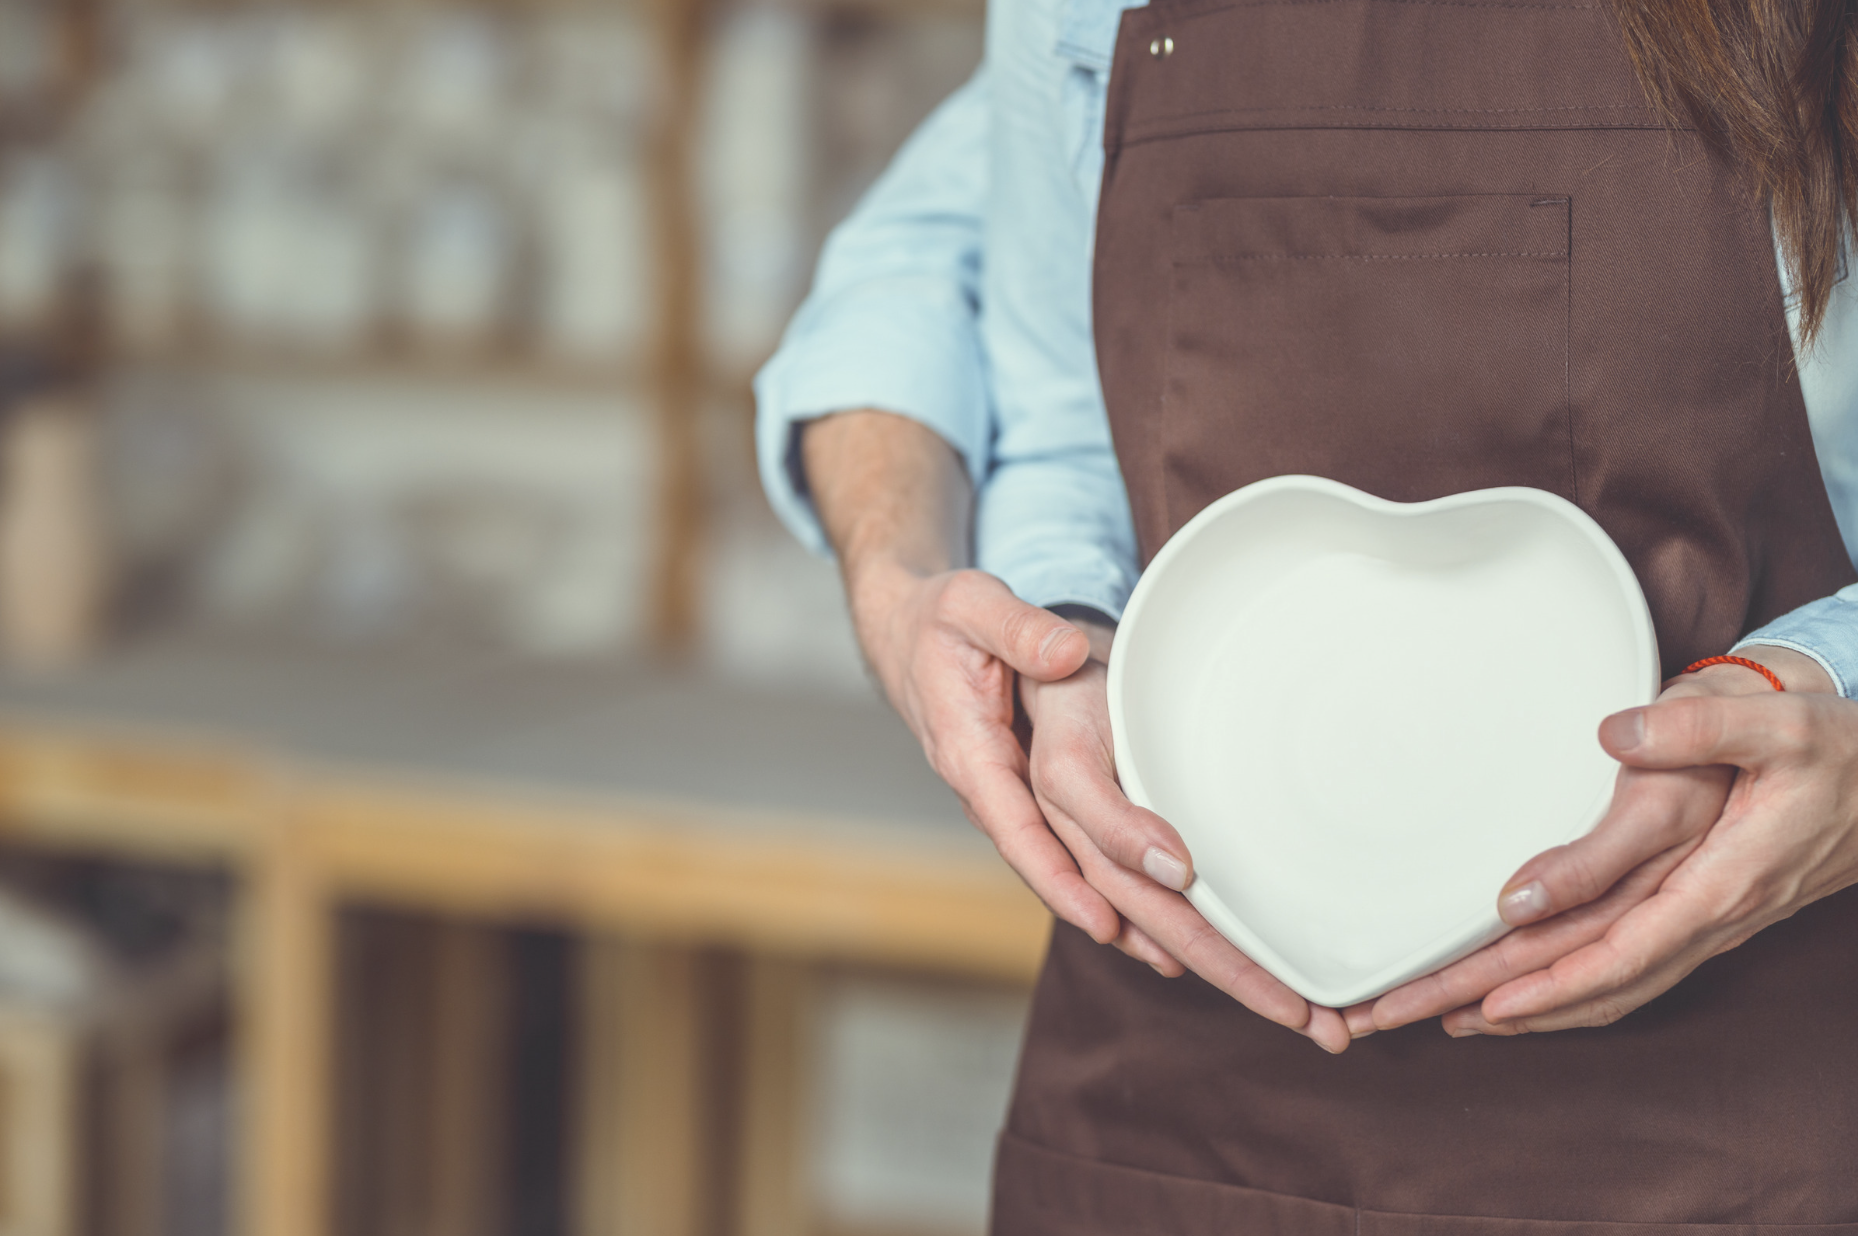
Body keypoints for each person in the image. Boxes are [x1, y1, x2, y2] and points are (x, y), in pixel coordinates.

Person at [758, 0, 1858, 1228]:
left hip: (1737, 1095)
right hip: (1178, 1104)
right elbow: (1063, 407)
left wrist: (1841, 702)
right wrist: (1060, 637)